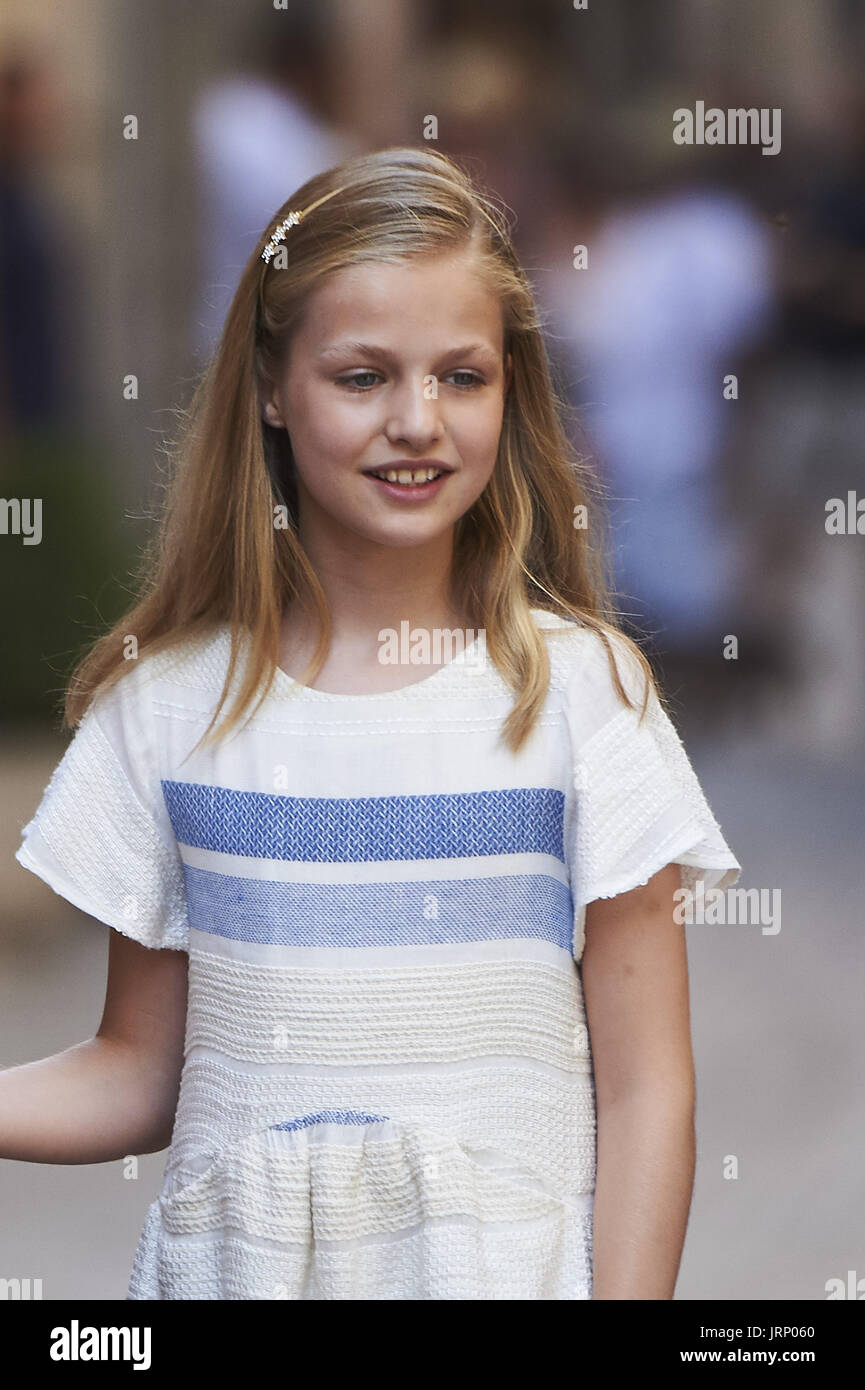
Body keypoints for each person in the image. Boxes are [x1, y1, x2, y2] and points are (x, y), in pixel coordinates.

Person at [6, 147, 740, 1301]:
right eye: (361, 377)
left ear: (513, 387)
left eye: (462, 376)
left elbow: (647, 1088)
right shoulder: (166, 710)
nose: (417, 421)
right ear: (267, 386)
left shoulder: (583, 696)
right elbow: (138, 1071)